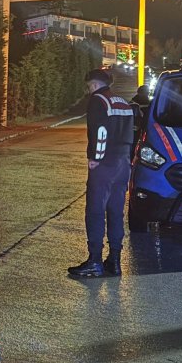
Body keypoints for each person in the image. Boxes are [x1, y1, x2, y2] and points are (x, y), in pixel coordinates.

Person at [69, 69, 135, 278]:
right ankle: (114, 261)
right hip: (123, 163)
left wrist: (95, 158)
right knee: (116, 211)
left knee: (96, 212)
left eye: (89, 87)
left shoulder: (99, 100)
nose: (88, 91)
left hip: (105, 165)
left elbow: (101, 132)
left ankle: (94, 261)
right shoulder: (123, 102)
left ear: (94, 85)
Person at [130, 84, 152, 156]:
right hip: (136, 129)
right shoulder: (134, 104)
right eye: (146, 93)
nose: (147, 94)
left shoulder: (147, 102)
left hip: (142, 128)